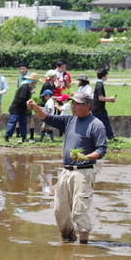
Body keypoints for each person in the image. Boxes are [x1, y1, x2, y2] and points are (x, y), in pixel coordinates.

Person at [27, 92, 107, 244]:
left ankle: (84, 247)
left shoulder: (96, 125)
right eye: (72, 103)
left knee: (80, 211)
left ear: (87, 106)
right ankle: (68, 239)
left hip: (83, 173)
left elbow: (101, 150)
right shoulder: (69, 120)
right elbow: (46, 117)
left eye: (77, 104)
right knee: (60, 210)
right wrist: (34, 107)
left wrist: (86, 157)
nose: (73, 106)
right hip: (66, 172)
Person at [5, 72, 39, 143]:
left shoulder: (28, 88)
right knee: (13, 122)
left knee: (23, 123)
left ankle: (23, 137)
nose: (36, 83)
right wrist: (29, 104)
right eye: (35, 82)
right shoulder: (24, 87)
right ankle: (7, 136)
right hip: (16, 108)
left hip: (23, 108)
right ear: (33, 82)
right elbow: (22, 98)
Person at [92, 69, 116, 141]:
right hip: (99, 108)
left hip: (96, 108)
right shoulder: (100, 85)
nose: (107, 77)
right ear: (104, 76)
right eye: (107, 75)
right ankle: (111, 138)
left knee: (97, 124)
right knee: (105, 123)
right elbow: (100, 98)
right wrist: (110, 99)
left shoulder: (98, 84)